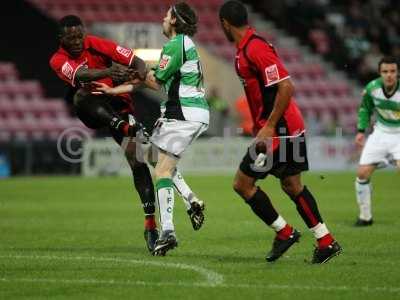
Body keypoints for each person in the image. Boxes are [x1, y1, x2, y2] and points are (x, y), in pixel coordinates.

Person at [219, 0, 341, 264]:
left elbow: (286, 87)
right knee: (292, 185)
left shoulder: (256, 49)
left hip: (281, 131)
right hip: (284, 128)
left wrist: (270, 125)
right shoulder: (245, 49)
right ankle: (325, 240)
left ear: (225, 24)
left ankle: (285, 232)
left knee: (242, 184)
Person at [95, 2, 209, 256]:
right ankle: (191, 201)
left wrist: (132, 71)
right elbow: (150, 82)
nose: (163, 18)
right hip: (186, 113)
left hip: (184, 113)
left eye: (167, 15)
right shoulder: (181, 45)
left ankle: (168, 232)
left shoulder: (177, 44)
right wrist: (115, 89)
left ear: (175, 21)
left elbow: (153, 80)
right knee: (149, 155)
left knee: (162, 171)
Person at [49, 15, 160, 253]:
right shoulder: (58, 59)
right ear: (62, 39)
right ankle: (121, 125)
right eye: (71, 38)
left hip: (119, 103)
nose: (78, 41)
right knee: (80, 94)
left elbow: (136, 60)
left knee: (137, 159)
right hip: (91, 108)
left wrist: (137, 74)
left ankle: (150, 225)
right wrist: (109, 71)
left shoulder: (97, 43)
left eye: (80, 35)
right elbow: (80, 76)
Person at [354, 56, 400, 226]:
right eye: (385, 71)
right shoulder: (372, 88)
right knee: (362, 174)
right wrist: (360, 131)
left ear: (397, 73)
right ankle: (365, 217)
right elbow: (365, 109)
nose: (389, 75)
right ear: (380, 73)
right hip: (380, 133)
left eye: (393, 71)